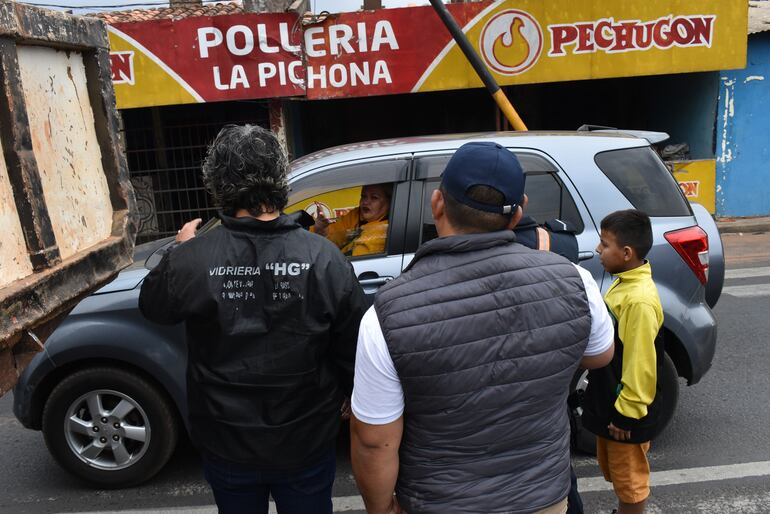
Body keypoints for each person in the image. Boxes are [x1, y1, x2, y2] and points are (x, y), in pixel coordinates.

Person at [349, 141, 615, 514]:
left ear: (437, 203)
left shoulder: (387, 313)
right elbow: (601, 354)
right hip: (544, 499)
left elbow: (374, 441)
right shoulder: (575, 280)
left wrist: (381, 509)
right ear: (517, 213)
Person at [138, 124, 367, 514]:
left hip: (227, 440)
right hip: (305, 438)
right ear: (279, 179)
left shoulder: (193, 257)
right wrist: (351, 394)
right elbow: (354, 344)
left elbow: (154, 306)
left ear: (217, 183)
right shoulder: (323, 257)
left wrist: (179, 253)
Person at [581, 210, 665, 514]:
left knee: (630, 482)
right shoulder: (626, 283)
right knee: (619, 474)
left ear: (626, 253)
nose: (598, 250)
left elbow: (641, 364)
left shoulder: (638, 300)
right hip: (615, 402)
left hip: (626, 411)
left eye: (604, 245)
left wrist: (627, 414)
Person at [313, 183, 392, 257]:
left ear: (388, 202)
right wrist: (321, 230)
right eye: (363, 196)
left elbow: (356, 261)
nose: (365, 202)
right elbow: (333, 236)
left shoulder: (383, 229)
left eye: (374, 197)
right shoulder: (357, 214)